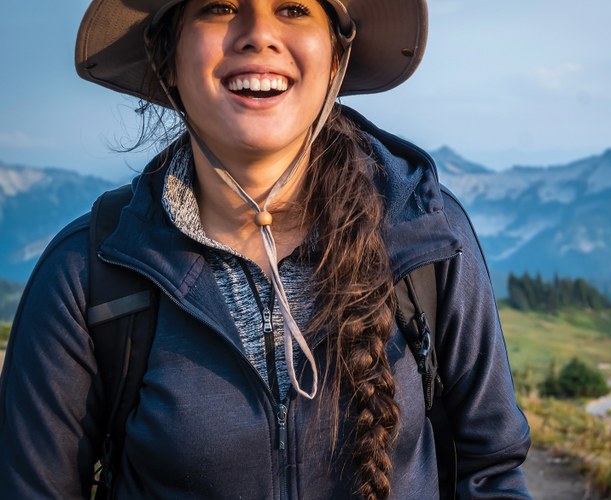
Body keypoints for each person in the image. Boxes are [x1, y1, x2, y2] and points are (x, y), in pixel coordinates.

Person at [0, 0, 531, 498]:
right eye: (220, 6)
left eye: (294, 8)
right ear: (168, 54)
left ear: (336, 57)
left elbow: (490, 469)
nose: (258, 36)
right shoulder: (87, 272)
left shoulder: (429, 238)